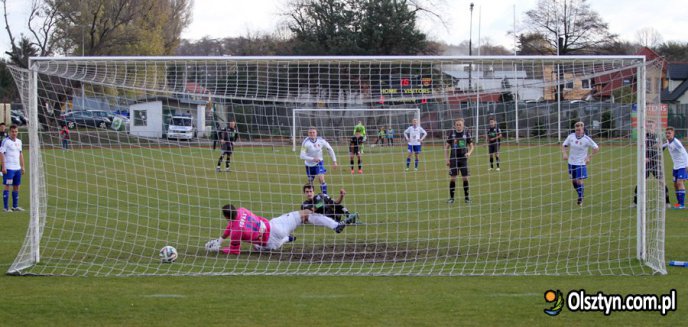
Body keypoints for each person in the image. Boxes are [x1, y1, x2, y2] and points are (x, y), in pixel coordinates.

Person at [206, 204, 346, 255]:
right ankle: (335, 225)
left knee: (259, 247)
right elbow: (232, 224)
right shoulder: (242, 210)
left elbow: (235, 251)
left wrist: (220, 248)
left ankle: (285, 239)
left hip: (270, 240)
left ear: (226, 217)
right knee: (305, 214)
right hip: (274, 225)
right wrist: (220, 240)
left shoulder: (235, 231)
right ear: (235, 209)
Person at [633, 121, 671, 208]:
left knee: (662, 182)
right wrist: (644, 157)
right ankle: (635, 203)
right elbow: (640, 149)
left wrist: (659, 148)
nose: (649, 128)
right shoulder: (643, 137)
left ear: (655, 127)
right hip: (645, 164)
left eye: (651, 126)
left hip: (655, 163)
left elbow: (662, 148)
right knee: (641, 182)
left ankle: (667, 202)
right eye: (648, 126)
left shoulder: (658, 137)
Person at [561, 122, 600, 206]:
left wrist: (589, 157)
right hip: (571, 162)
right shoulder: (571, 136)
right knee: (574, 181)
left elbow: (596, 148)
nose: (578, 131)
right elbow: (564, 145)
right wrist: (564, 153)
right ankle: (580, 194)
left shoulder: (587, 139)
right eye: (576, 129)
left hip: (581, 163)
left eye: (579, 129)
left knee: (579, 180)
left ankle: (580, 197)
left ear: (583, 130)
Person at [445, 118, 474, 204]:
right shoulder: (452, 134)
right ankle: (451, 199)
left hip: (463, 159)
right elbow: (446, 147)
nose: (458, 126)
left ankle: (467, 198)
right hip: (453, 159)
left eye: (460, 124)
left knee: (465, 178)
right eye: (457, 124)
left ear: (463, 125)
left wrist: (469, 153)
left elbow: (472, 146)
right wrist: (447, 159)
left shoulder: (466, 133)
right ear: (455, 125)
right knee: (453, 178)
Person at [300, 127, 337, 195]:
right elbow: (302, 156)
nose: (312, 134)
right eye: (310, 133)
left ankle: (325, 196)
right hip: (309, 164)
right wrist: (313, 159)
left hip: (319, 163)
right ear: (308, 133)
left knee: (321, 179)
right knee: (310, 182)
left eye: (313, 132)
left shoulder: (321, 140)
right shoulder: (305, 143)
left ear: (316, 133)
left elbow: (330, 149)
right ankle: (311, 196)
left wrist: (334, 161)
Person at [0, 125, 25, 212]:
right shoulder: (5, 141)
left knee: (16, 186)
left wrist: (22, 167)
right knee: (7, 186)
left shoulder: (19, 141)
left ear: (17, 132)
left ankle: (15, 206)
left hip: (17, 169)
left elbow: (20, 154)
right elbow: (1, 154)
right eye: (12, 131)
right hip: (9, 169)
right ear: (9, 132)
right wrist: (3, 167)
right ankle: (6, 208)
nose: (14, 133)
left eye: (16, 131)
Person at [662, 127, 688, 209]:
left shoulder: (677, 143)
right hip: (675, 166)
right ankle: (678, 203)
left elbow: (684, 153)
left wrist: (687, 165)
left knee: (680, 183)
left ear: (673, 134)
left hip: (682, 165)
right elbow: (666, 144)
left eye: (669, 133)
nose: (667, 134)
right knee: (675, 185)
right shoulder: (668, 141)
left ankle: (682, 204)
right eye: (666, 133)